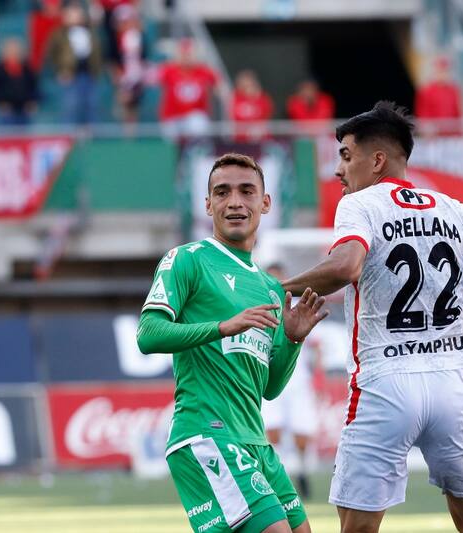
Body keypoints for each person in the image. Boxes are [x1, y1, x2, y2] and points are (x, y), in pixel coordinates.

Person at [281, 101, 463, 533]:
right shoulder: (458, 211)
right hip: (450, 385)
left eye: (346, 156)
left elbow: (346, 267)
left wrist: (280, 287)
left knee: (358, 528)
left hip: (385, 383)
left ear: (377, 160)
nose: (338, 171)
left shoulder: (361, 205)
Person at [137, 153, 329, 533]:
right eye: (222, 192)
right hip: (206, 434)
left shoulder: (270, 287)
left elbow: (270, 388)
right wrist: (222, 326)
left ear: (266, 202)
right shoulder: (187, 260)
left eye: (247, 191)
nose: (235, 202)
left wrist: (291, 340)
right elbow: (148, 334)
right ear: (208, 204)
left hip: (255, 441)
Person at [260, 264, 318, 502]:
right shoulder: (260, 310)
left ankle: (302, 471)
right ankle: (277, 477)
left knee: (301, 433)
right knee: (271, 431)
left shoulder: (300, 308)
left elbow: (316, 344)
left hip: (297, 380)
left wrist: (317, 372)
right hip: (271, 377)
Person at [47, 1, 102, 126]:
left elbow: (97, 53)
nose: (75, 16)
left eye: (77, 13)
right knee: (70, 107)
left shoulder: (90, 32)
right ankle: (69, 137)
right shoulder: (58, 34)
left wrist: (96, 70)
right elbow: (51, 56)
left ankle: (93, 137)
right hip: (70, 75)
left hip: (89, 73)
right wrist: (60, 71)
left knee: (92, 106)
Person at [158, 38, 219, 138]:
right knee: (169, 135)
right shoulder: (169, 70)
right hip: (172, 115)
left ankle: (198, 152)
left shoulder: (203, 71)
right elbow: (154, 80)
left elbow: (218, 86)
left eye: (189, 54)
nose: (186, 58)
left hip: (195, 115)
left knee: (198, 125)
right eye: (183, 54)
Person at [0, 38, 40, 126]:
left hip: (24, 109)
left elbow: (34, 87)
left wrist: (32, 101)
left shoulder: (27, 68)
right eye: (11, 49)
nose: (14, 52)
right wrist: (0, 103)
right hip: (7, 110)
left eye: (16, 49)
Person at [414, 56, 463, 136]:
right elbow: (423, 113)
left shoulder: (454, 90)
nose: (443, 74)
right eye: (440, 71)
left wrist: (460, 132)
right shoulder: (426, 91)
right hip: (434, 136)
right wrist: (428, 130)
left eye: (445, 71)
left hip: (451, 135)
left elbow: (457, 113)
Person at [230, 70, 273, 142]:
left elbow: (266, 114)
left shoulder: (262, 98)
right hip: (240, 139)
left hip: (260, 139)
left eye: (248, 82)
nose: (246, 84)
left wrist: (255, 97)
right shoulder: (235, 97)